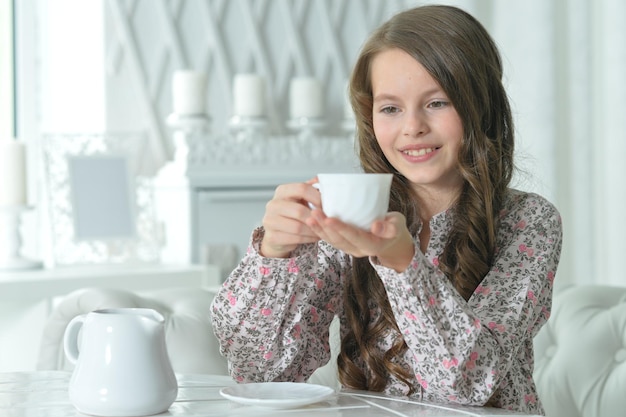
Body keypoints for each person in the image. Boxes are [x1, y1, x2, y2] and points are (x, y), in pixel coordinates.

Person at [211, 4, 562, 414]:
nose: (412, 127)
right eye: (391, 108)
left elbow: (466, 387)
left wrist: (403, 265)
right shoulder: (348, 216)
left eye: (437, 103)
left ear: (480, 105)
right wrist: (275, 255)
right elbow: (260, 373)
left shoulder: (529, 222)